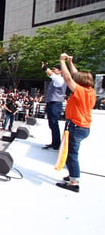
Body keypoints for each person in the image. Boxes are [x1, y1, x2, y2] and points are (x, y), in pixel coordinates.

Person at [56, 54, 95, 193]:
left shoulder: (81, 92)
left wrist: (62, 61)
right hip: (82, 126)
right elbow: (76, 75)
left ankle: (74, 182)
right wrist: (71, 63)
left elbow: (68, 78)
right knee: (71, 153)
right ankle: (73, 175)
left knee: (72, 154)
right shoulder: (90, 90)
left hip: (76, 126)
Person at [42, 62, 66, 150]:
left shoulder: (59, 79)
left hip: (55, 104)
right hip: (52, 103)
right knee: (52, 124)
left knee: (54, 124)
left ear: (60, 71)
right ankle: (54, 143)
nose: (53, 70)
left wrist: (45, 67)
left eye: (54, 69)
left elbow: (50, 74)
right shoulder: (57, 79)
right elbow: (50, 74)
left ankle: (56, 144)